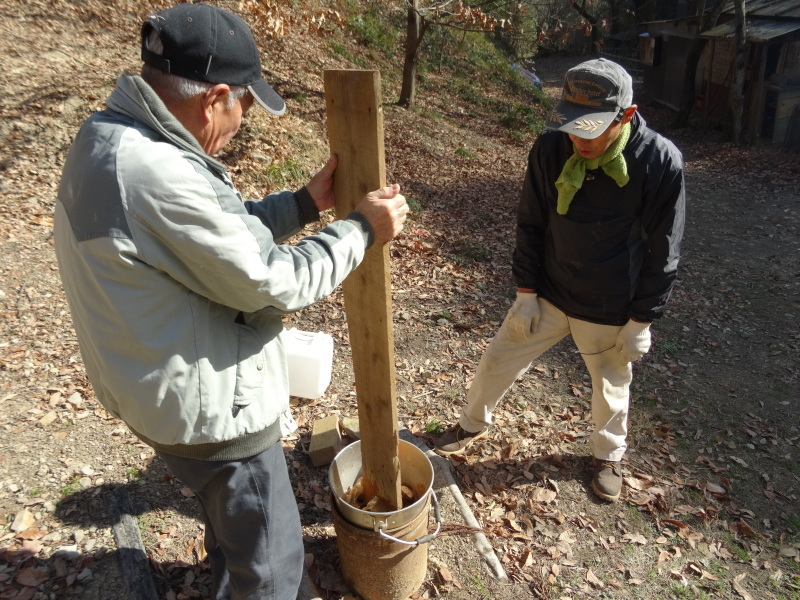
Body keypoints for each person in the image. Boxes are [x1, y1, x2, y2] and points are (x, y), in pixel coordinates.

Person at [53, 4, 408, 599]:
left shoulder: (111, 137)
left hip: (156, 388)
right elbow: (272, 281)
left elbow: (211, 238)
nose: (244, 118)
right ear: (215, 96)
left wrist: (301, 204)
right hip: (214, 417)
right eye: (244, 103)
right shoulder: (156, 172)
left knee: (234, 531)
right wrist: (362, 230)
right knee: (271, 564)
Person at [434, 58, 685, 503]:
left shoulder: (658, 160)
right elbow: (531, 221)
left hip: (611, 302)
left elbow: (664, 248)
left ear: (625, 115)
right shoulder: (551, 149)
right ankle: (470, 423)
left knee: (611, 387)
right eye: (572, 125)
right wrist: (526, 292)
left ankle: (608, 457)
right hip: (548, 290)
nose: (579, 138)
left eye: (592, 128)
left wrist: (642, 319)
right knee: (497, 359)